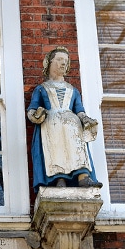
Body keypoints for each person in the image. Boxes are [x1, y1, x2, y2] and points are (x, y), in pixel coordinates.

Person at [27, 46, 102, 192]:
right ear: (49, 62)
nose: (63, 63)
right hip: (51, 124)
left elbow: (79, 109)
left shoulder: (73, 90)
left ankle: (83, 178)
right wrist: (36, 115)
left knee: (78, 150)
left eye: (66, 61)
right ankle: (59, 178)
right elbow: (32, 109)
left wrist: (85, 119)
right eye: (59, 59)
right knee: (56, 150)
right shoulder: (42, 88)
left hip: (72, 125)